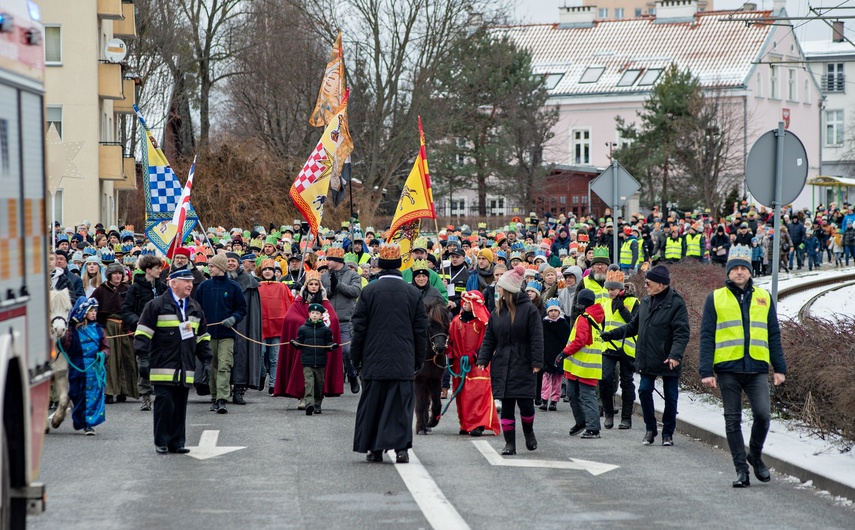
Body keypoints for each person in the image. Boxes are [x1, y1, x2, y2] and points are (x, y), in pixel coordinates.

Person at [699, 245, 787, 488]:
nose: (739, 272)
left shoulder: (763, 297)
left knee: (763, 415)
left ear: (749, 271)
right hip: (728, 369)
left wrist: (779, 368)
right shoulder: (715, 298)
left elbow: (773, 334)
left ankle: (755, 455)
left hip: (757, 368)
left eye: (743, 268)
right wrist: (706, 371)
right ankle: (741, 470)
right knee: (732, 419)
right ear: (728, 273)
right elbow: (706, 336)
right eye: (734, 269)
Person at [352, 243, 428, 464]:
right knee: (400, 406)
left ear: (380, 267)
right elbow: (420, 330)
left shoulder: (369, 291)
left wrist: (355, 359)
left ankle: (374, 449)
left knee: (374, 403)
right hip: (403, 358)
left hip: (374, 358)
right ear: (398, 267)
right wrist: (418, 359)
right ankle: (401, 448)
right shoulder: (413, 292)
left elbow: (359, 329)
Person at [601, 264, 689, 446]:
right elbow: (633, 326)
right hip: (647, 356)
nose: (646, 285)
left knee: (671, 397)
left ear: (661, 284)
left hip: (668, 359)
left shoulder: (676, 303)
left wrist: (675, 355)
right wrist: (611, 334)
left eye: (649, 282)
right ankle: (650, 429)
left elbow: (682, 333)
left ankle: (668, 433)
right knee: (643, 391)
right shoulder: (646, 302)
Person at [133, 269, 213, 454]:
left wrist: (207, 361)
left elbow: (202, 337)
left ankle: (177, 442)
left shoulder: (194, 307)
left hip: (185, 367)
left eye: (191, 281)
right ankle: (161, 441)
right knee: (165, 403)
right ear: (173, 283)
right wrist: (142, 359)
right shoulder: (156, 305)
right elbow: (143, 334)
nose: (190, 285)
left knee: (179, 405)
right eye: (185, 281)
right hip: (163, 365)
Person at [476, 265, 544, 455]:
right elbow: (490, 337)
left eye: (500, 287)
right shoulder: (497, 312)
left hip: (523, 363)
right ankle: (510, 444)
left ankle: (529, 433)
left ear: (509, 290)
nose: (497, 290)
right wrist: (483, 358)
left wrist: (537, 362)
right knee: (506, 406)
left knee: (526, 405)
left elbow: (536, 338)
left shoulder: (529, 310)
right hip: (502, 364)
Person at [273, 270, 344, 406]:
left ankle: (317, 398)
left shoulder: (324, 302)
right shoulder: (299, 301)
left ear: (319, 286)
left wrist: (320, 323)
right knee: (304, 373)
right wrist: (305, 324)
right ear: (306, 286)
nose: (313, 287)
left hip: (319, 346)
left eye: (316, 284)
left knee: (318, 375)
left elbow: (333, 318)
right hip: (305, 343)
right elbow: (290, 317)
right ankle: (303, 397)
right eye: (310, 284)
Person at [194, 253, 247, 414]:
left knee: (224, 365)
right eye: (209, 266)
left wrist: (233, 318)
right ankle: (214, 397)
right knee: (212, 366)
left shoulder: (233, 287)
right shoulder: (204, 286)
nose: (209, 268)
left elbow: (242, 309)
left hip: (227, 334)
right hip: (207, 334)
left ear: (221, 268)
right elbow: (196, 307)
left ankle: (222, 399)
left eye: (212, 266)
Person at [447, 290, 501, 436]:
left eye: (468, 303)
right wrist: (450, 355)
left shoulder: (483, 323)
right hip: (460, 364)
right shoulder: (456, 321)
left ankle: (478, 424)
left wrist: (476, 356)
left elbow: (489, 342)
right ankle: (465, 423)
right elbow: (450, 341)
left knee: (477, 392)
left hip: (478, 363)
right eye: (464, 302)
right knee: (462, 395)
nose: (465, 305)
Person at [558, 288, 605, 438]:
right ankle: (582, 422)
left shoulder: (584, 318)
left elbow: (579, 341)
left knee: (586, 396)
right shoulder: (593, 318)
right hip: (580, 366)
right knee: (572, 394)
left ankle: (593, 428)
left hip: (584, 367)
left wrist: (563, 353)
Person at [122, 255, 167, 411]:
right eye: (157, 268)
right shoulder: (135, 288)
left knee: (162, 363)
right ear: (148, 270)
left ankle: (162, 394)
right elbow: (126, 310)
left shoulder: (162, 287)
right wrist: (137, 321)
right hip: (144, 331)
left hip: (162, 331)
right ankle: (145, 396)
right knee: (144, 364)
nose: (160, 271)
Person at [61, 297, 109, 435]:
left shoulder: (100, 330)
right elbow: (66, 346)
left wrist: (102, 355)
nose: (94, 313)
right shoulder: (73, 330)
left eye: (95, 310)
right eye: (91, 311)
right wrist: (63, 335)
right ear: (83, 312)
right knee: (76, 394)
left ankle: (89, 424)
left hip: (94, 367)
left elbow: (106, 347)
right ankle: (80, 419)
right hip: (77, 366)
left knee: (92, 395)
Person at [92, 262, 138, 405]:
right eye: (115, 273)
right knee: (110, 360)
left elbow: (134, 307)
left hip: (125, 327)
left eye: (120, 273)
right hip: (108, 326)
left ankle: (125, 390)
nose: (118, 276)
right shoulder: (100, 290)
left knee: (127, 357)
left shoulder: (128, 289)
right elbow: (92, 308)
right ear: (109, 275)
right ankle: (110, 391)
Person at [600, 270, 639, 430]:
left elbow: (634, 323)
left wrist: (622, 309)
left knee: (627, 383)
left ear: (621, 288)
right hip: (609, 348)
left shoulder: (634, 302)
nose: (610, 292)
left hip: (626, 349)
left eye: (613, 289)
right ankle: (608, 413)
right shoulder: (606, 303)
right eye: (608, 289)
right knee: (604, 379)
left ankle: (626, 418)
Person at [322, 245, 363, 394]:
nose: (327, 262)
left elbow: (355, 291)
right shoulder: (324, 276)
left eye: (329, 260)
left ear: (337, 261)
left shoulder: (353, 275)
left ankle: (352, 375)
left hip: (346, 320)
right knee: (326, 352)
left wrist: (338, 285)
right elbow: (320, 293)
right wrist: (331, 289)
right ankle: (328, 383)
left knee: (346, 351)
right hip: (327, 320)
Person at [226, 252, 263, 404]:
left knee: (242, 356)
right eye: (227, 261)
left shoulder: (249, 282)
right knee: (223, 360)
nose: (230, 264)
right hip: (223, 324)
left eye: (233, 261)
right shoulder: (219, 279)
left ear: (238, 263)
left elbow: (252, 309)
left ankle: (239, 391)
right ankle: (221, 391)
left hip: (243, 324)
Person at [291, 303, 337, 416]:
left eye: (317, 313)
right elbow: (300, 342)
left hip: (321, 362)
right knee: (309, 383)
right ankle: (309, 404)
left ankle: (317, 403)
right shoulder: (303, 329)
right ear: (309, 314)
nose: (315, 315)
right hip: (307, 361)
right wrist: (296, 343)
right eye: (312, 313)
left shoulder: (326, 331)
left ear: (321, 315)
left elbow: (328, 343)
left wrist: (332, 346)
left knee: (319, 384)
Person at [258, 259, 294, 394]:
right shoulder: (257, 286)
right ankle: (261, 375)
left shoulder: (282, 287)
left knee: (275, 358)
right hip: (261, 327)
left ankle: (273, 384)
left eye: (270, 269)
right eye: (265, 269)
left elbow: (290, 303)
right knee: (260, 355)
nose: (267, 272)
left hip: (278, 327)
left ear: (274, 272)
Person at [539, 298, 571, 412]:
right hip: (547, 355)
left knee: (557, 379)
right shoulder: (544, 324)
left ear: (559, 312)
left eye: (555, 311)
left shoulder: (563, 324)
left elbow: (566, 340)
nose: (553, 313)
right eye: (551, 311)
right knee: (546, 378)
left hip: (559, 355)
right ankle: (544, 399)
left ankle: (554, 400)